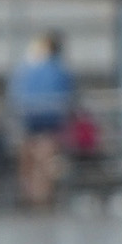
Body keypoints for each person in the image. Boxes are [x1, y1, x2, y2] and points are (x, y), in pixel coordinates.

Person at [8, 31, 76, 207]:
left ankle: (31, 196)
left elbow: (16, 92)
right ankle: (41, 196)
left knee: (32, 160)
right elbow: (69, 94)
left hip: (32, 120)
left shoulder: (29, 68)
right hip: (48, 122)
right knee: (44, 160)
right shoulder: (58, 69)